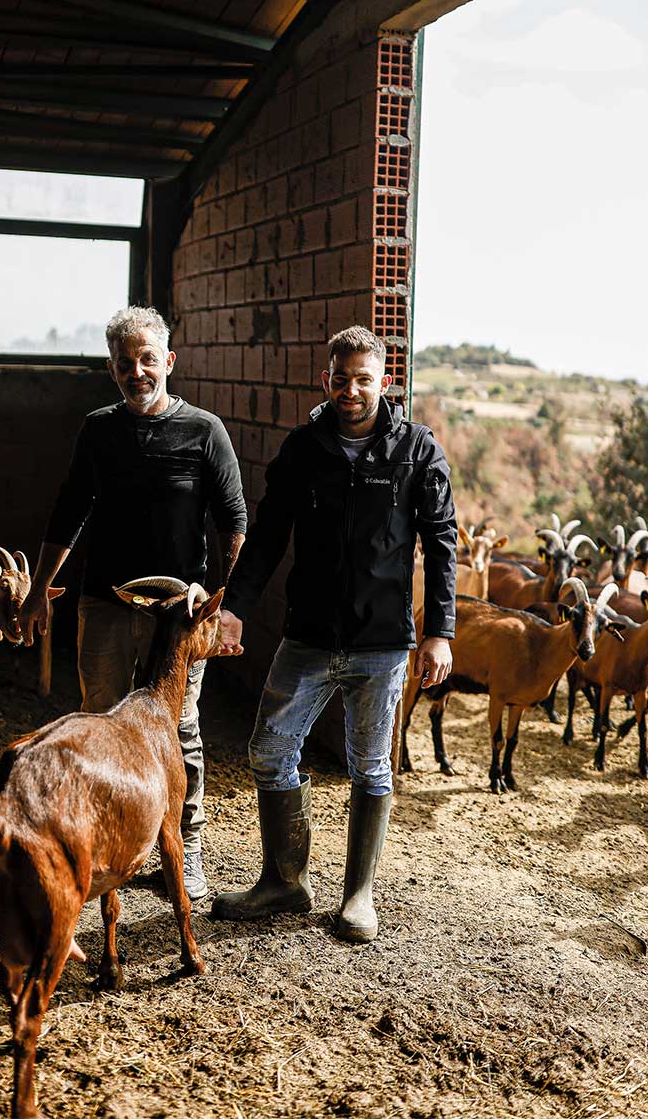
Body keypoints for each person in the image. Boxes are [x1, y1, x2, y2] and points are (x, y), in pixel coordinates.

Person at [212, 325, 456, 942]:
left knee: (371, 764)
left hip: (381, 641)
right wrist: (236, 604)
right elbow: (267, 537)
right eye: (341, 379)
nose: (352, 390)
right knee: (270, 749)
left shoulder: (416, 449)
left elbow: (442, 540)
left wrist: (440, 631)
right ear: (327, 379)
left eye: (364, 379)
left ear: (385, 381)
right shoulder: (303, 449)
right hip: (309, 636)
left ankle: (359, 896)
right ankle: (285, 881)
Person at [19, 305, 247, 901]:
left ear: (168, 362)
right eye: (126, 363)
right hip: (105, 603)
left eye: (149, 360)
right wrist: (41, 590)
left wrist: (223, 605)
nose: (138, 371)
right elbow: (69, 512)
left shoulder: (204, 431)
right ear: (112, 369)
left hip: (176, 614)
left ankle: (184, 844)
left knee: (180, 728)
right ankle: (112, 840)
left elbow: (233, 523)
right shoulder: (99, 430)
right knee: (103, 724)